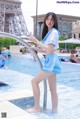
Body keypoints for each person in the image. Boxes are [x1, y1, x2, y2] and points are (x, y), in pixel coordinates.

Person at [27, 12, 61, 113]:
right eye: (47, 19)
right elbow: (47, 50)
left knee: (34, 81)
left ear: (54, 21)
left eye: (52, 20)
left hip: (51, 61)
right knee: (52, 89)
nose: (49, 22)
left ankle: (37, 108)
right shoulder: (50, 33)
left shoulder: (54, 32)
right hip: (52, 60)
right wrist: (36, 48)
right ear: (45, 20)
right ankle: (54, 112)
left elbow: (49, 50)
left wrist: (36, 41)